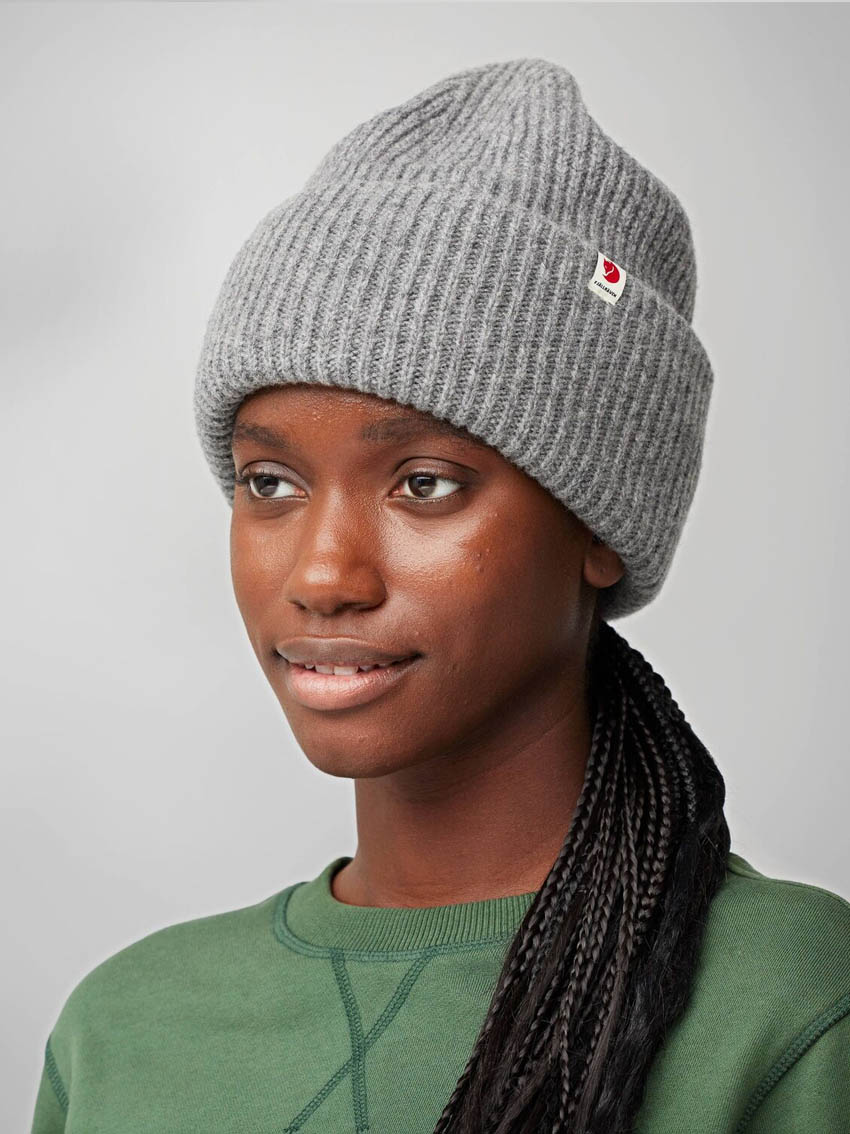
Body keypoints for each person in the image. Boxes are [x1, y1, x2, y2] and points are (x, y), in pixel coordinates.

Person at [31, 57, 850, 1134]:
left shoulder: (790, 1007)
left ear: (599, 524)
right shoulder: (121, 1032)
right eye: (269, 483)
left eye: (423, 484)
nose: (322, 576)